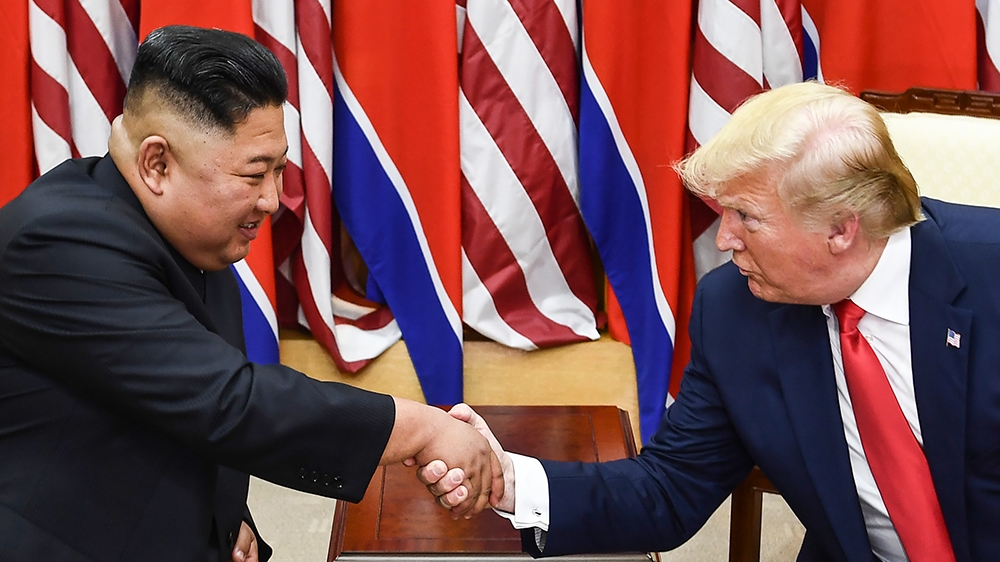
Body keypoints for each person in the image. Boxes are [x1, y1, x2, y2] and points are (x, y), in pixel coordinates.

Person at [422, 82, 1000, 561]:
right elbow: (669, 489)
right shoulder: (736, 311)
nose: (724, 241)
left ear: (841, 229)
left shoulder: (990, 274)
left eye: (747, 216)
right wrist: (509, 479)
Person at [0, 25, 501, 562]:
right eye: (254, 175)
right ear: (157, 164)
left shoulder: (192, 229)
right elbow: (225, 401)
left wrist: (227, 520)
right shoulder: (57, 242)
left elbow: (166, 404)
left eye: (279, 170)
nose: (272, 200)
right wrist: (420, 428)